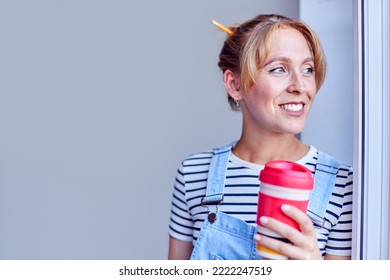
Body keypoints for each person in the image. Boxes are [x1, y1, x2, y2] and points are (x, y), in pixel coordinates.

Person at [168, 14, 353, 260]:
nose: (301, 86)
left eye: (308, 69)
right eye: (279, 69)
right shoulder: (193, 174)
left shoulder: (342, 185)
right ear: (235, 85)